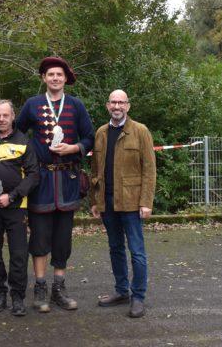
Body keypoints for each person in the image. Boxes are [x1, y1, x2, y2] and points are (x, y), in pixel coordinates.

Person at [16, 56, 95, 312]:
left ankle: (59, 288)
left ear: (65, 79)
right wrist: (30, 155)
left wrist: (74, 147)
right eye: (50, 74)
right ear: (44, 78)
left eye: (59, 75)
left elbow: (90, 137)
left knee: (62, 239)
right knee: (39, 238)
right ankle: (40, 288)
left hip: (68, 180)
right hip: (40, 181)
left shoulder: (76, 106)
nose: (55, 78)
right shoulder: (32, 104)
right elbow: (16, 132)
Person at [90, 89, 156, 318]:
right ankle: (121, 291)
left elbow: (149, 169)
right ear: (107, 105)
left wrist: (146, 202)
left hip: (131, 202)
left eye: (121, 102)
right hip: (107, 202)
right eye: (113, 102)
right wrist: (95, 200)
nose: (117, 106)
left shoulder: (140, 131)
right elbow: (95, 169)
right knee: (115, 248)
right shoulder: (101, 132)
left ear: (128, 106)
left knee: (137, 251)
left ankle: (138, 296)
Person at [0, 100, 39, 317]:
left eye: (5, 115)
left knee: (18, 254)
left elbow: (34, 175)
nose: (1, 119)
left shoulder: (24, 141)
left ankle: (17, 296)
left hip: (16, 207)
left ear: (13, 116)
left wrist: (12, 196)